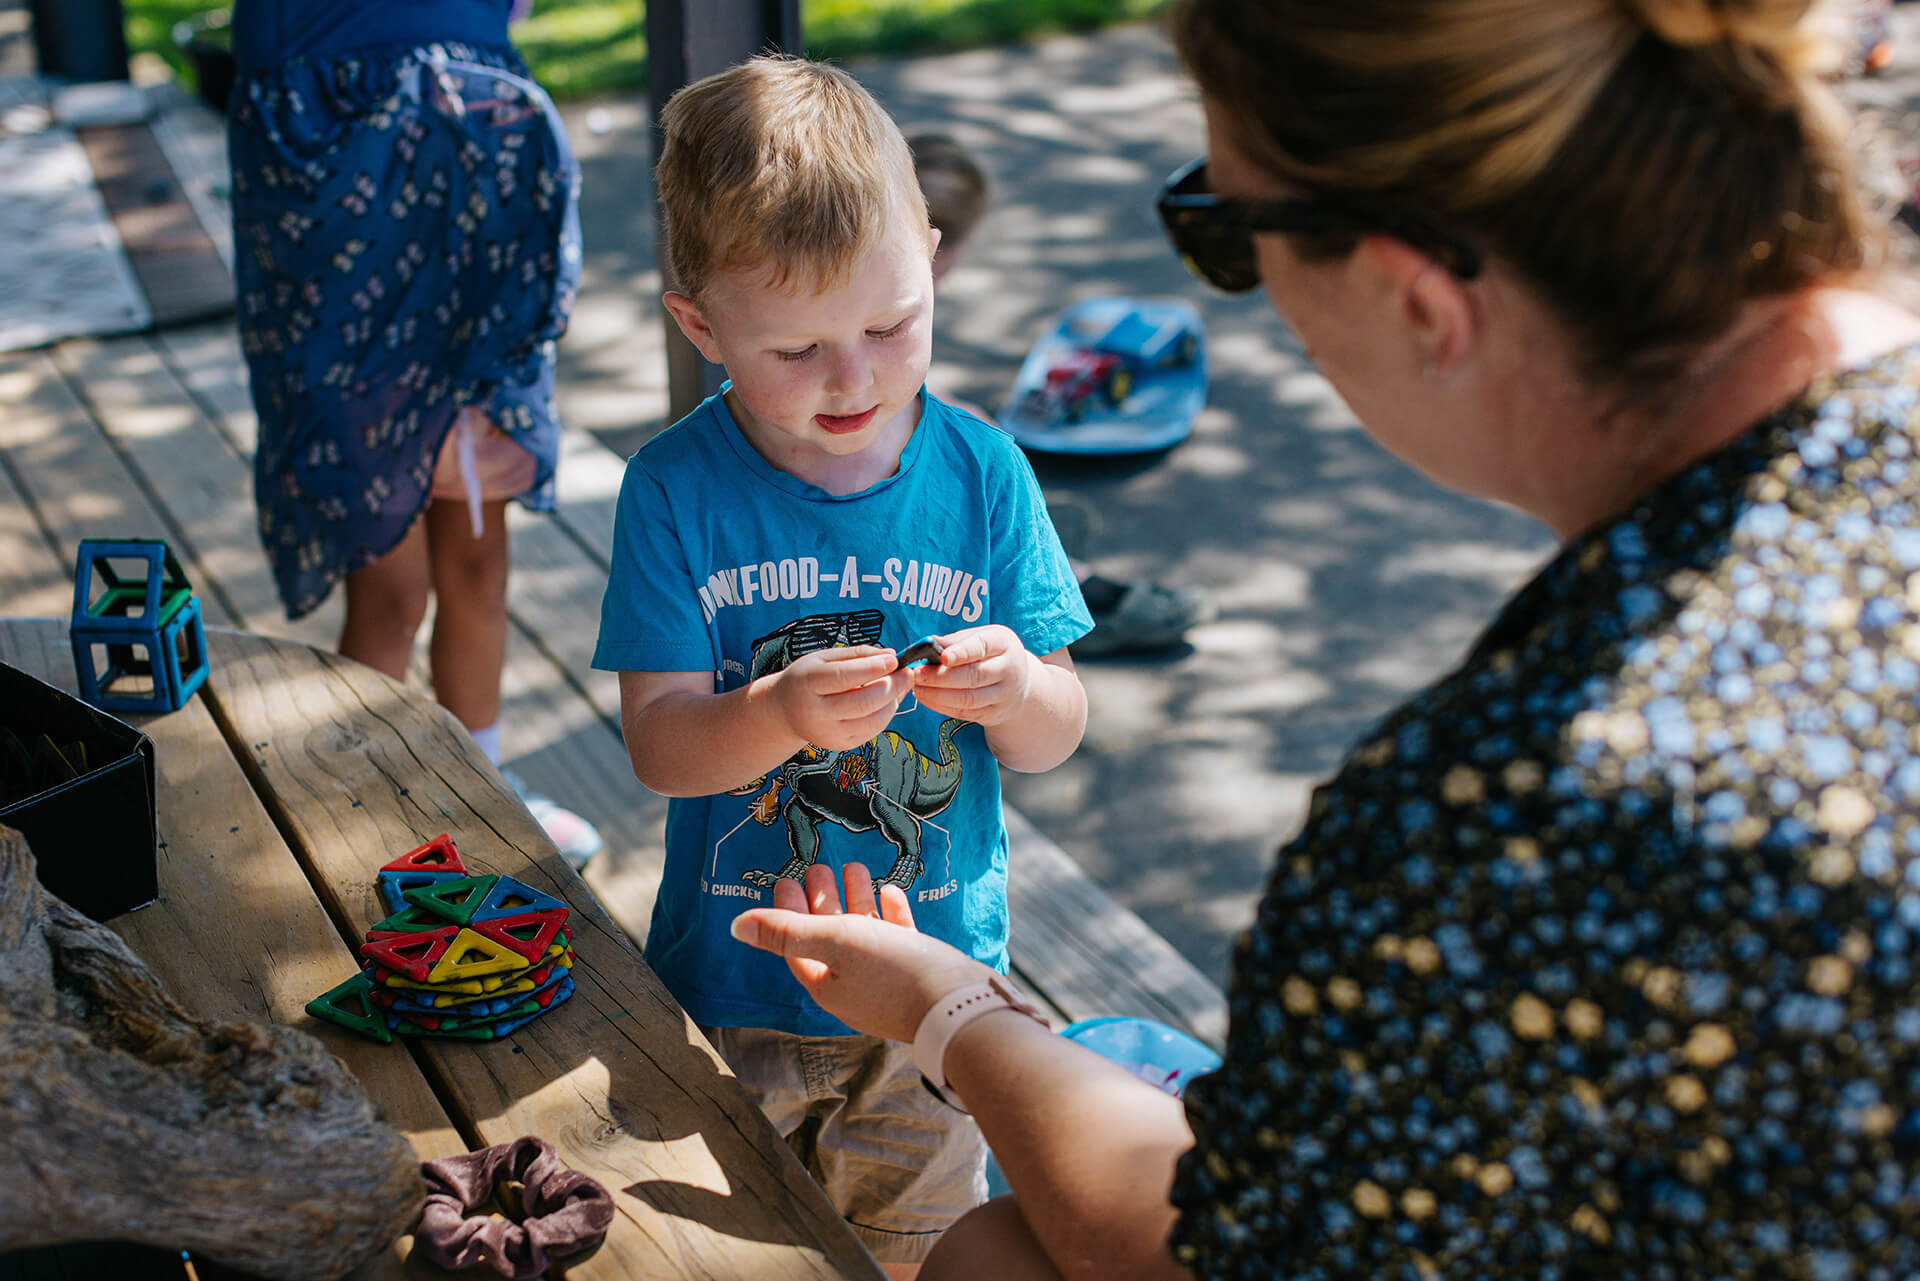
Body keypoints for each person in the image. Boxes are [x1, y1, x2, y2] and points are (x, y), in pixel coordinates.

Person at [731, 0, 1920, 1276]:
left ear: (1419, 299)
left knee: (989, 1256)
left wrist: (948, 1009)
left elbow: (1215, 1250)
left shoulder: (1508, 809)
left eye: (1227, 232)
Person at [590, 56, 1092, 1275]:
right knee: (729, 1257)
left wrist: (1017, 688)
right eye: (798, 349)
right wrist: (773, 714)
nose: (854, 378)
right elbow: (661, 746)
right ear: (701, 326)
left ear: (930, 257)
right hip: (732, 983)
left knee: (917, 1254)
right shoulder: (674, 490)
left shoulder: (983, 474)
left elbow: (1058, 728)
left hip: (935, 997)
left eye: (888, 324)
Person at [227, 0, 601, 867]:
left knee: (479, 552)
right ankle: (366, 814)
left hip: (478, 169)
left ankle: (482, 787)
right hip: (336, 164)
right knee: (389, 590)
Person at [908, 131, 1217, 659]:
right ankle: (1069, 596)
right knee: (976, 451)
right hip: (891, 497)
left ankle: (1034, 534)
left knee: (976, 436)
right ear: (940, 247)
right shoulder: (903, 297)